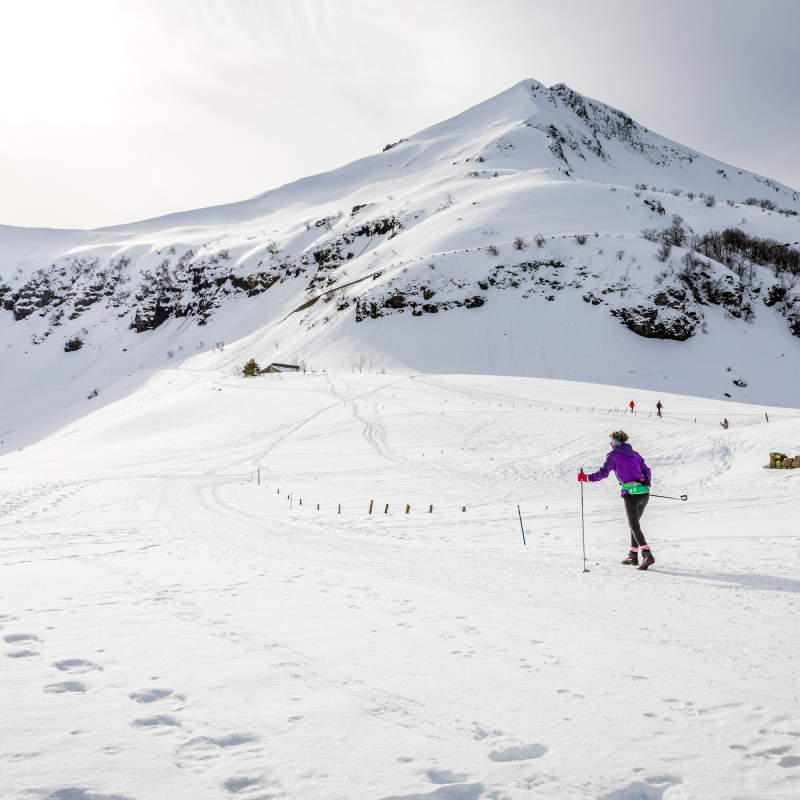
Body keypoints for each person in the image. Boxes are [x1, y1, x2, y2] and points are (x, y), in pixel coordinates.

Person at [578, 430, 655, 570]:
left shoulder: (613, 455)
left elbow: (603, 473)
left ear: (616, 442)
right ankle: (633, 554)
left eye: (612, 442)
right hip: (644, 493)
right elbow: (647, 470)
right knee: (634, 524)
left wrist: (586, 477)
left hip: (631, 494)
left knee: (634, 525)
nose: (611, 444)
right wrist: (646, 481)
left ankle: (647, 554)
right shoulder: (635, 454)